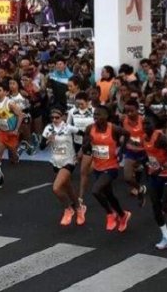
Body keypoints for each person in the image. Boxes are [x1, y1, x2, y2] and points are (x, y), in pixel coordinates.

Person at [81, 105, 132, 233]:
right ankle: (123, 215)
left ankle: (110, 214)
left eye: (98, 115)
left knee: (95, 190)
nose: (95, 117)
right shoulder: (89, 129)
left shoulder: (113, 128)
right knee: (109, 195)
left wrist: (122, 151)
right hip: (98, 167)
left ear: (106, 116)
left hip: (111, 167)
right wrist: (89, 142)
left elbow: (127, 134)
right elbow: (84, 148)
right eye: (94, 115)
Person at [41, 107, 82, 226]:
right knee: (68, 187)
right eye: (52, 118)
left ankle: (69, 209)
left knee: (56, 188)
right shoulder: (48, 128)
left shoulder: (68, 128)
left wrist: (81, 150)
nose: (54, 120)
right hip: (56, 162)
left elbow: (83, 135)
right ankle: (79, 208)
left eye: (57, 117)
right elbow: (42, 146)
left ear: (63, 117)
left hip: (69, 161)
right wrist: (49, 140)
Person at [142, 115, 167, 249]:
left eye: (148, 123)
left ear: (154, 125)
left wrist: (161, 167)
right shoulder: (144, 138)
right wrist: (144, 166)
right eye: (143, 124)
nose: (145, 126)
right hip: (153, 175)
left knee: (166, 206)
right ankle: (166, 237)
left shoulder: (161, 138)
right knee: (155, 205)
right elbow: (148, 156)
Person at [66, 91, 94, 225]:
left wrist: (84, 147)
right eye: (77, 104)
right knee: (80, 170)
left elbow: (95, 129)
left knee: (83, 172)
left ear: (88, 102)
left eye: (82, 104)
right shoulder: (72, 112)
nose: (80, 107)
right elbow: (67, 127)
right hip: (76, 143)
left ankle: (80, 199)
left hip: (90, 144)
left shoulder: (94, 112)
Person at [0, 81, 25, 179]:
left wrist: (16, 130)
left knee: (14, 159)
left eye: (0, 90)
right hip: (1, 133)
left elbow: (20, 115)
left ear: (6, 92)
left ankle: (20, 150)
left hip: (11, 133)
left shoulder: (10, 103)